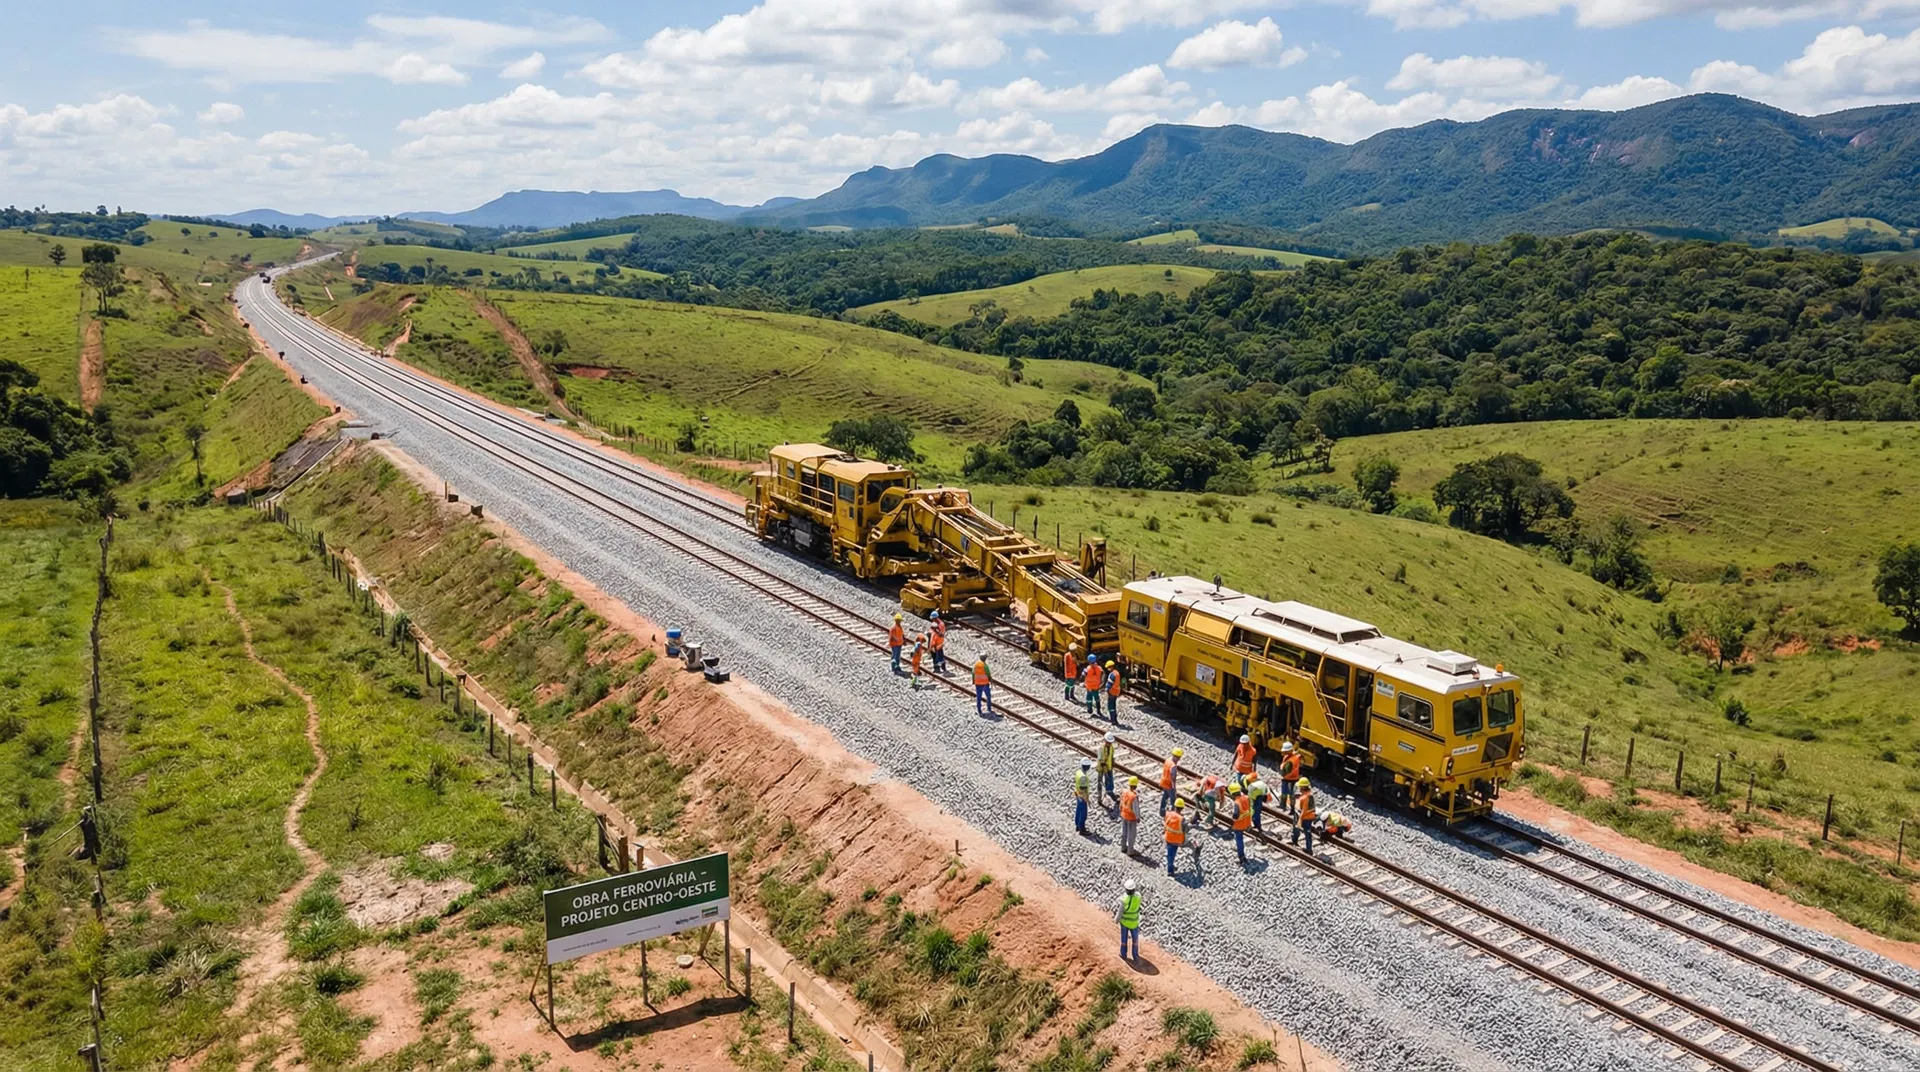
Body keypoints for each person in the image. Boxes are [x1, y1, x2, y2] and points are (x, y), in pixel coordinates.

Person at [1116, 878, 1142, 961]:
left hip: (1124, 922)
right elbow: (1137, 894)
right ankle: (1135, 955)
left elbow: (1120, 912)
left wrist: (1116, 920)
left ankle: (1123, 954)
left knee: (1124, 939)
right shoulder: (1138, 897)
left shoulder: (1124, 900)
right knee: (1135, 940)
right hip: (1134, 923)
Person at [1291, 776, 1317, 855]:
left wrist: (1299, 820)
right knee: (1308, 833)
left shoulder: (1303, 798)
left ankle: (1294, 840)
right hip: (1310, 817)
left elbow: (1301, 810)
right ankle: (1309, 849)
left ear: (1302, 787)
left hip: (1303, 817)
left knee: (1296, 828)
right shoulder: (1310, 795)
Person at [1230, 781, 1254, 864]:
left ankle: (1241, 856)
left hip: (1239, 825)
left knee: (1239, 839)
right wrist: (1250, 823)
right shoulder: (1246, 798)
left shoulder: (1236, 802)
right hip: (1246, 822)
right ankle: (1240, 852)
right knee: (1240, 839)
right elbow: (1250, 810)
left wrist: (1233, 818)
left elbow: (1236, 815)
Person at [1163, 799, 1187, 876]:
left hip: (1168, 837)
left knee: (1170, 854)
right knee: (1171, 855)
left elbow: (1165, 823)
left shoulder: (1168, 814)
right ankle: (1170, 871)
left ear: (1175, 806)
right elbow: (1184, 829)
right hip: (1176, 840)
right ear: (1182, 808)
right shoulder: (1181, 819)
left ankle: (1171, 866)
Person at [1119, 776, 1141, 855]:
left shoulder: (1125, 792)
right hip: (1131, 817)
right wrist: (1138, 817)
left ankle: (1123, 847)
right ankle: (1130, 851)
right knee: (1131, 834)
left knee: (1124, 832)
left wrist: (1121, 810)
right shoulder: (1133, 796)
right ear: (1136, 785)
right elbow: (1135, 808)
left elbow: (1121, 802)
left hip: (1124, 815)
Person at [1278, 741, 1302, 814]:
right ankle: (1282, 805)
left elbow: (1286, 771)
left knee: (1291, 794)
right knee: (1284, 792)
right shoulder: (1290, 757)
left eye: (1284, 751)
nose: (1282, 753)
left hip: (1291, 779)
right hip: (1287, 779)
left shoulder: (1291, 761)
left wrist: (1282, 774)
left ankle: (1292, 810)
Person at [1159, 748, 1182, 815]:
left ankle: (1162, 811)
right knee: (1173, 799)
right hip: (1169, 785)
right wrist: (1174, 787)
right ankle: (1173, 813)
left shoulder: (1167, 760)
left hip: (1163, 782)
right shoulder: (1173, 766)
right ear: (1177, 757)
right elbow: (1173, 777)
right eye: (1179, 758)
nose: (1179, 759)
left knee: (1165, 797)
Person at [1096, 733, 1117, 803]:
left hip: (1109, 767)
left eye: (1110, 742)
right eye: (1108, 742)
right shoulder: (1101, 748)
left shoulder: (1112, 748)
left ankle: (1110, 791)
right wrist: (1103, 765)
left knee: (1110, 780)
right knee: (1100, 782)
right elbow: (1100, 759)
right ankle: (1099, 797)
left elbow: (1111, 756)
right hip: (1101, 768)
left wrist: (1113, 761)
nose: (1110, 744)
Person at [1072, 760, 1091, 834]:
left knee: (1078, 810)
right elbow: (1083, 789)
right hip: (1082, 796)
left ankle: (1077, 825)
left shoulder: (1078, 772)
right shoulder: (1083, 777)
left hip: (1078, 794)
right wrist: (1086, 798)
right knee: (1083, 814)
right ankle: (1082, 829)